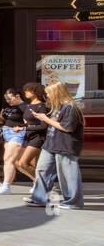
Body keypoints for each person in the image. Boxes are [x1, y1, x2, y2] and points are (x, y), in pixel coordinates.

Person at [26, 82, 85, 210]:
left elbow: (67, 128)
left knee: (68, 174)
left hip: (66, 145)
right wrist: (42, 118)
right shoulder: (57, 107)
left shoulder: (70, 107)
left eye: (48, 93)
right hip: (52, 143)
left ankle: (73, 202)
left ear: (56, 93)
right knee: (42, 170)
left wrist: (45, 119)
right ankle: (40, 198)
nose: (47, 96)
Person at [0, 84, 43, 195]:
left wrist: (22, 128)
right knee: (18, 163)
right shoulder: (6, 107)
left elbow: (30, 122)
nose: (8, 100)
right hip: (7, 133)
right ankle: (39, 183)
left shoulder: (25, 107)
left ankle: (6, 186)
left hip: (17, 134)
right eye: (6, 98)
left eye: (10, 98)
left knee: (8, 159)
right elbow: (3, 121)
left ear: (17, 96)